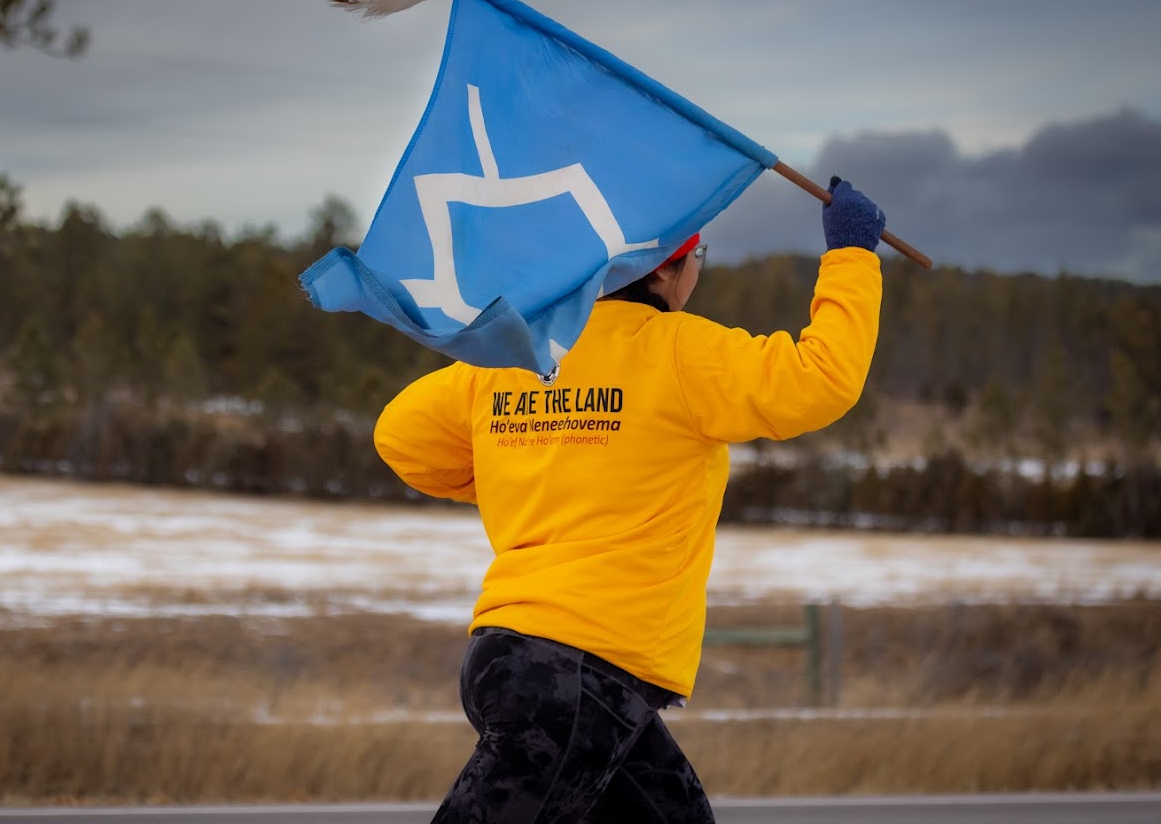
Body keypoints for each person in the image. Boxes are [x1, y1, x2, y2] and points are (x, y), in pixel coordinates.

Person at [374, 179, 887, 823]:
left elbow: (400, 435)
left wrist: (535, 471)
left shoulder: (522, 358)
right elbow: (819, 379)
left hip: (515, 656)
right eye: (699, 259)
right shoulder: (678, 351)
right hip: (580, 673)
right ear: (671, 269)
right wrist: (852, 256)